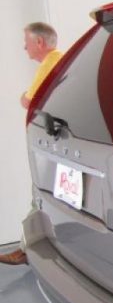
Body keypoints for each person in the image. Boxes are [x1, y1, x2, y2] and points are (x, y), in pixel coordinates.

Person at [0, 22, 63, 265]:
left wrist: (22, 97)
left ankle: (26, 249)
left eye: (27, 41)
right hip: (54, 138)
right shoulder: (63, 60)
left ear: (40, 42)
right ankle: (26, 248)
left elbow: (28, 100)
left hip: (50, 142)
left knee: (39, 194)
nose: (24, 46)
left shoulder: (51, 62)